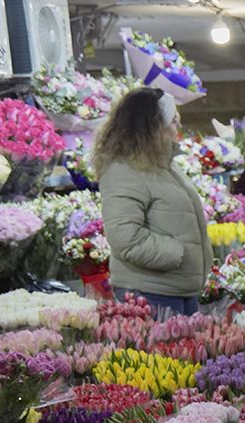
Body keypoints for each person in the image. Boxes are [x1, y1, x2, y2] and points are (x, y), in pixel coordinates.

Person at [94, 86, 211, 316]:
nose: (178, 127)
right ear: (153, 127)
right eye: (173, 121)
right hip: (149, 293)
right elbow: (125, 238)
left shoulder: (164, 164)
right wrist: (177, 253)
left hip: (179, 289)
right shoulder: (124, 169)